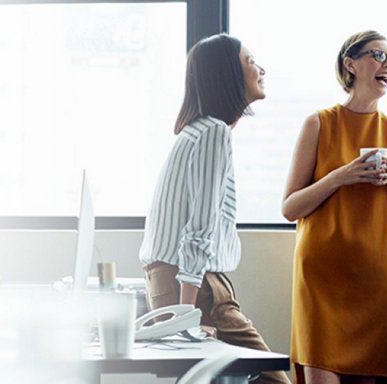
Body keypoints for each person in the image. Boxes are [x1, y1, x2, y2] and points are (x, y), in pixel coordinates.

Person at [138, 33, 289, 384]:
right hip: (197, 286)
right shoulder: (213, 134)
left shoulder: (195, 132)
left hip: (178, 282)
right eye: (251, 61)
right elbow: (199, 229)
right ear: (228, 75)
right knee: (273, 379)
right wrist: (187, 316)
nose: (261, 69)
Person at [282, 30, 387, 384]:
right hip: (321, 279)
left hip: (374, 281)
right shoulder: (319, 123)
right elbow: (290, 207)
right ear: (350, 64)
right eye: (378, 55)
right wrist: (340, 176)